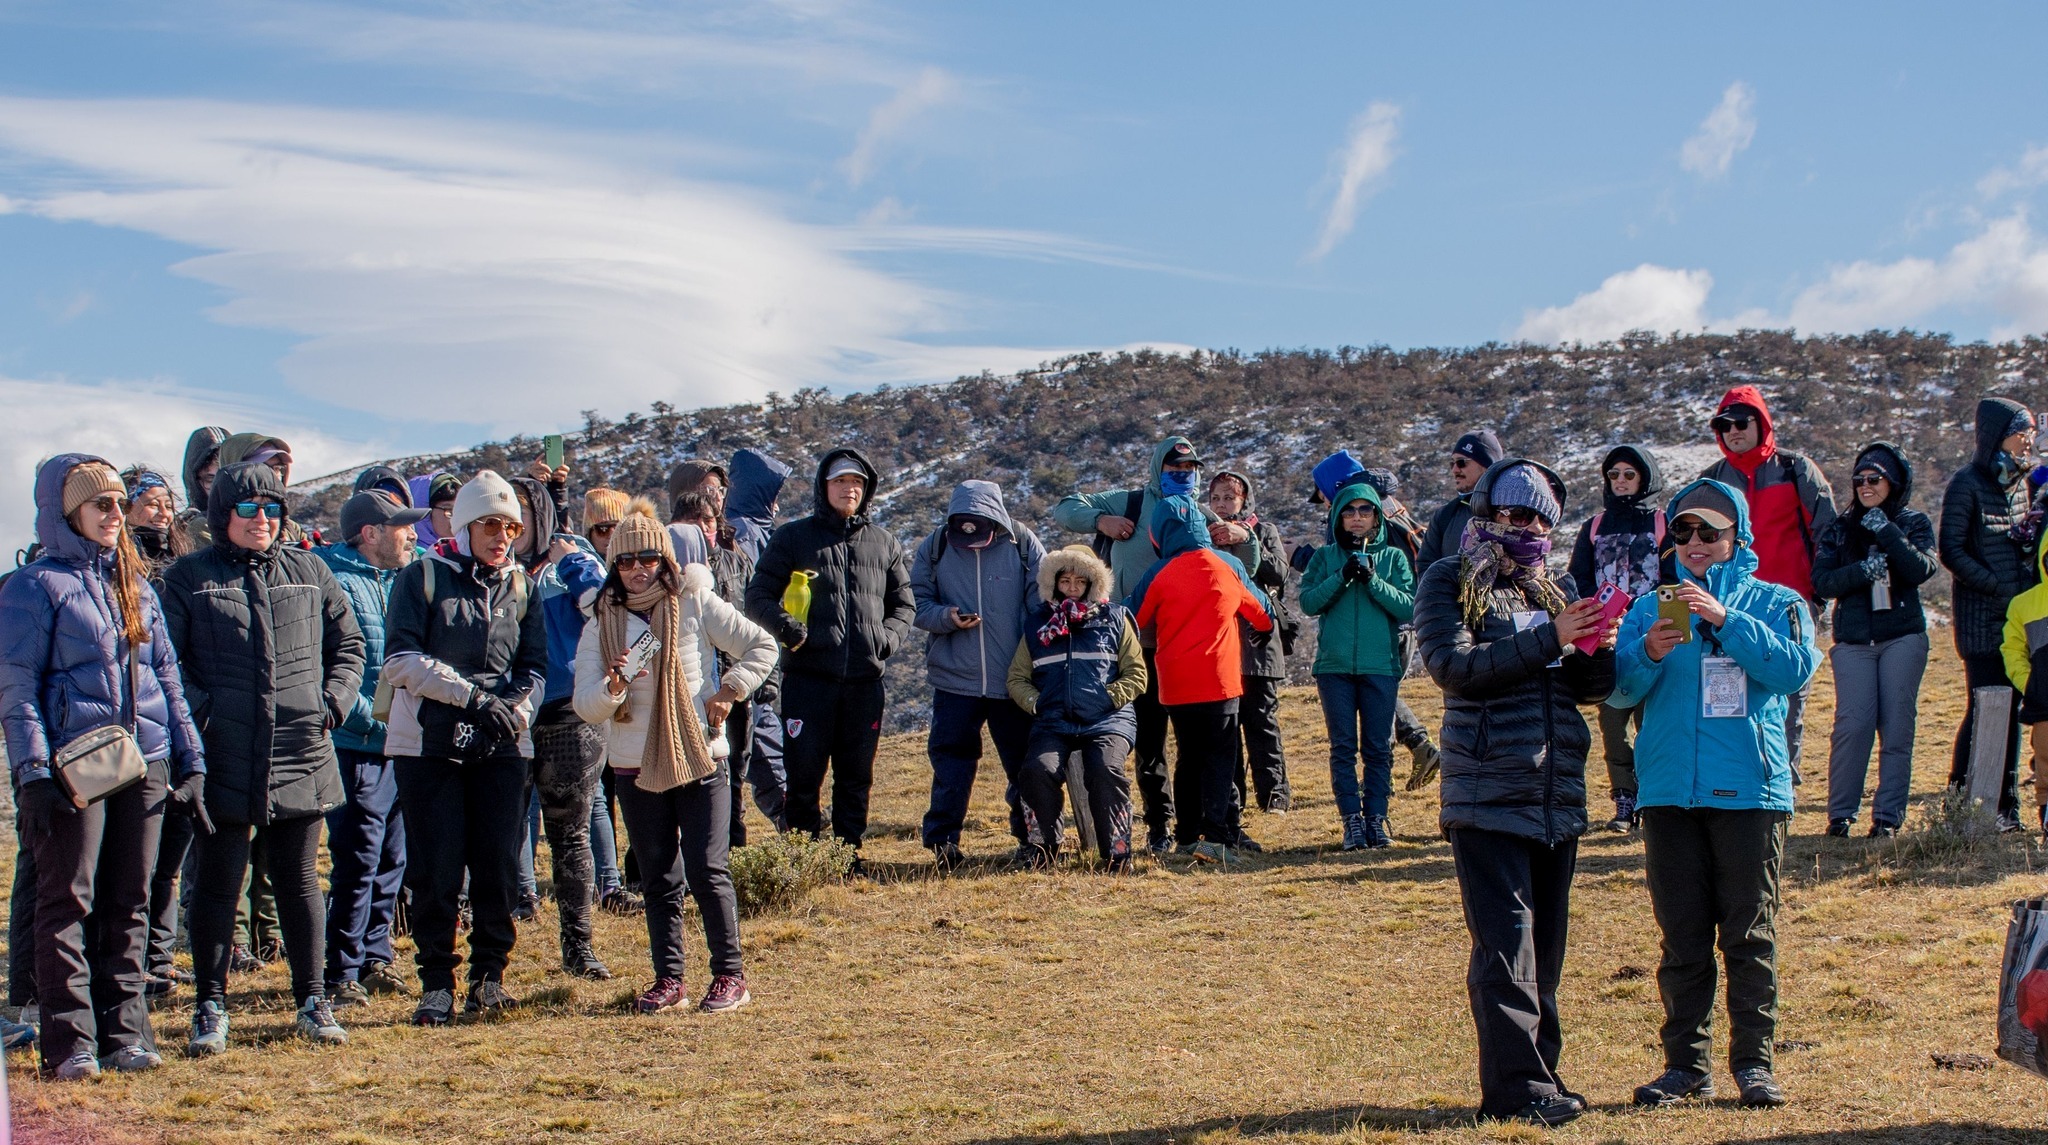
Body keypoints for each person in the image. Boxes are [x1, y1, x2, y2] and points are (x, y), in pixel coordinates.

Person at [1413, 458, 1617, 1127]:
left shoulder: (1553, 591)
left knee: (1545, 952)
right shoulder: (1449, 578)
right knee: (1506, 949)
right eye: (1505, 512)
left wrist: (1595, 647)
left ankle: (1542, 1074)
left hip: (1554, 793)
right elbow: (1453, 667)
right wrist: (1551, 640)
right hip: (1488, 790)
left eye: (1532, 516)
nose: (1516, 525)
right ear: (1484, 513)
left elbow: (1588, 692)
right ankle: (1515, 1093)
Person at [1610, 479, 1820, 1110]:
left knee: (1749, 935)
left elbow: (1794, 670)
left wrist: (1725, 620)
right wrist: (1646, 652)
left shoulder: (1777, 602)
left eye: (1709, 532)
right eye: (1683, 532)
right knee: (1682, 937)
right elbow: (1618, 694)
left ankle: (1754, 1067)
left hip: (1751, 794)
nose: (1695, 543)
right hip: (1670, 794)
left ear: (1738, 538)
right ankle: (1684, 1068)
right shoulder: (1651, 608)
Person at [0, 455, 207, 1078]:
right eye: (103, 505)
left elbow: (168, 679)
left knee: (131, 901)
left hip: (145, 761)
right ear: (69, 513)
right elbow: (16, 690)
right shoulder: (32, 587)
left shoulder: (136, 585)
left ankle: (126, 1037)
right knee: (68, 903)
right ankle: (69, 1046)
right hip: (74, 767)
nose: (117, 515)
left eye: (120, 503)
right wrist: (33, 773)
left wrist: (190, 760)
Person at [160, 460, 365, 1055]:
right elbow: (170, 664)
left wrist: (333, 701)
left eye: (273, 509)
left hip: (300, 748)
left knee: (300, 881)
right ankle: (209, 1006)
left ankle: (312, 999)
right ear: (224, 514)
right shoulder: (189, 578)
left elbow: (347, 644)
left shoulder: (310, 570)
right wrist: (204, 716)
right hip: (223, 755)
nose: (262, 520)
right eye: (248, 509)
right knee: (220, 884)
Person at [573, 506, 775, 1014]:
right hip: (633, 761)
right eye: (625, 561)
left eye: (647, 558)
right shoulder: (601, 620)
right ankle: (670, 980)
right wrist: (613, 687)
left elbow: (761, 646)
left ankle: (730, 976)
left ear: (665, 559)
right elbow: (586, 705)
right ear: (613, 565)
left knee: (708, 869)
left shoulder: (694, 602)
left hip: (701, 754)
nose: (637, 569)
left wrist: (730, 690)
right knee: (658, 876)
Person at [381, 471, 549, 1025]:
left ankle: (489, 976)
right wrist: (474, 699)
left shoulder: (523, 586)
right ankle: (435, 983)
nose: (501, 536)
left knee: (499, 863)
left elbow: (534, 667)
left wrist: (517, 710)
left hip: (501, 744)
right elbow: (400, 660)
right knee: (437, 866)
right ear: (463, 527)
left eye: (510, 526)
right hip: (428, 745)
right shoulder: (422, 577)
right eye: (489, 525)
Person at [1055, 436, 1246, 853]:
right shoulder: (1132, 502)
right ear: (1157, 469)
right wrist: (1101, 522)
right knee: (1151, 742)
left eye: (1190, 471)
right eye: (1174, 470)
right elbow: (1066, 506)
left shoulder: (1201, 514)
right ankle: (1160, 825)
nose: (1183, 477)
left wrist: (1240, 537)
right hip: (1138, 644)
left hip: (1189, 649)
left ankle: (1222, 825)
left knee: (1205, 744)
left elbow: (1242, 572)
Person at [744, 448, 914, 876]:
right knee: (804, 775)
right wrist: (790, 630)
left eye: (856, 482)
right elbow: (757, 597)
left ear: (867, 489)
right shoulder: (793, 538)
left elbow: (904, 605)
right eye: (840, 481)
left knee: (856, 776)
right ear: (824, 486)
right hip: (808, 680)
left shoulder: (884, 542)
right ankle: (804, 859)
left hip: (864, 681)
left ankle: (848, 857)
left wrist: (886, 640)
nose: (849, 488)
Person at [318, 491, 427, 1006]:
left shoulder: (407, 576)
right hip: (355, 742)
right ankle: (340, 970)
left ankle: (376, 958)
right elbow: (333, 667)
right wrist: (372, 719)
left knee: (392, 858)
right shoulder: (332, 581)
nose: (412, 535)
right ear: (370, 534)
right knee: (356, 858)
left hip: (403, 742)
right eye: (402, 527)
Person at [506, 471, 614, 977]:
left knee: (570, 836)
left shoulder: (570, 561)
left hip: (568, 711)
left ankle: (579, 948)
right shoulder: (492, 568)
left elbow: (604, 605)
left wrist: (567, 560)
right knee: (503, 834)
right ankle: (494, 959)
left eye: (527, 512)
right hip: (506, 716)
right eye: (509, 513)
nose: (517, 523)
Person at [1127, 496, 1273, 864]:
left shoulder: (1159, 572)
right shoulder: (1228, 564)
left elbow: (1131, 619)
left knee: (1188, 759)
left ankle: (1187, 835)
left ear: (1159, 533)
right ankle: (1218, 839)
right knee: (1221, 760)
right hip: (1220, 680)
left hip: (1175, 682)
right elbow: (1262, 615)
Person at [1699, 386, 1836, 779]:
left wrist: (1817, 592)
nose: (1733, 431)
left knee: (1790, 701)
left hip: (1790, 606)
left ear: (1762, 424)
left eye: (1742, 422)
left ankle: (1781, 787)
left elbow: (1828, 532)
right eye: (1723, 425)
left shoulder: (1797, 470)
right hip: (1730, 607)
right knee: (1726, 700)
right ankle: (1732, 783)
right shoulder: (1712, 481)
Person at [911, 480, 1046, 868]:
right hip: (955, 678)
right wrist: (946, 618)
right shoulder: (935, 546)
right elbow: (915, 602)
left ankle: (1032, 841)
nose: (971, 537)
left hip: (1014, 681)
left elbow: (1042, 603)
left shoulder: (1021, 542)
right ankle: (943, 845)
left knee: (1024, 765)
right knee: (950, 765)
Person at [1812, 444, 1937, 838]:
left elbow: (1921, 569)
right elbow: (1822, 582)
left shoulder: (1913, 522)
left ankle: (1887, 818)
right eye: (1859, 480)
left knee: (1898, 726)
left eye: (1875, 479)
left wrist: (1887, 529)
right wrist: (1862, 570)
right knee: (1853, 725)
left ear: (1893, 483)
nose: (1865, 486)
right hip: (1852, 642)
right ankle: (1840, 814)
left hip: (1902, 637)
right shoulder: (1839, 528)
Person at [1007, 545, 1146, 870]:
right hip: (1054, 720)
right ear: (1053, 582)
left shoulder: (1116, 619)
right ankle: (1045, 850)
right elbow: (1017, 678)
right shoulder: (1038, 625)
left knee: (1105, 771)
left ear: (1092, 583)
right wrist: (1037, 703)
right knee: (1035, 771)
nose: (1071, 587)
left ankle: (1116, 853)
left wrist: (1108, 698)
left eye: (1079, 581)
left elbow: (1137, 673)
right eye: (1065, 580)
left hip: (1108, 719)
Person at [1942, 397, 2041, 833]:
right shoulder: (1967, 483)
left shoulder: (2023, 483)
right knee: (1985, 708)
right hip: (1982, 619)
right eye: (2025, 432)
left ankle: (2007, 807)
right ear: (2001, 435)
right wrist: (1996, 584)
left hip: (2019, 620)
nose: (2030, 441)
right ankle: (1962, 804)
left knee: (2018, 708)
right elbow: (1952, 550)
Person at [1299, 481, 1414, 851]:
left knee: (1379, 748)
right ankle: (1351, 821)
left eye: (1365, 511)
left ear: (1377, 516)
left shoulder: (1394, 558)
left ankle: (1377, 819)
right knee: (1343, 747)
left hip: (1380, 665)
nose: (1357, 518)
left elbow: (1408, 607)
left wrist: (1373, 581)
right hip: (1334, 668)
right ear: (1337, 517)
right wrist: (1342, 576)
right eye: (1349, 511)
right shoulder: (1324, 557)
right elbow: (1308, 603)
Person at [1565, 445, 1667, 832]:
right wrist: (1599, 610)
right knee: (1612, 722)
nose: (1621, 481)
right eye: (1614, 475)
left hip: (1653, 636)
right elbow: (1578, 577)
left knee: (1651, 721)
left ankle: (1653, 796)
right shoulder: (1593, 526)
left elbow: (1673, 576)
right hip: (1607, 637)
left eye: (1629, 474)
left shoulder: (1663, 522)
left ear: (1646, 477)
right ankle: (1624, 797)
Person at [674, 489, 760, 848]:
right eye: (693, 522)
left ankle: (732, 850)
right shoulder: (667, 577)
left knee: (734, 771)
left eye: (708, 520)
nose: (703, 528)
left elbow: (754, 622)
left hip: (733, 686)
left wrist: (753, 683)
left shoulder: (736, 561)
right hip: (688, 690)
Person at [1208, 469, 1293, 819]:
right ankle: (1234, 797)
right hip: (1220, 640)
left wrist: (1245, 540)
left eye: (1230, 497)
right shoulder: (1203, 534)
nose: (1223, 504)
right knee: (1226, 724)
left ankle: (1275, 795)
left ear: (1244, 500)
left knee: (1261, 719)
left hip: (1259, 639)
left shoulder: (1263, 531)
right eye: (1216, 498)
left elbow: (1279, 573)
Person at [1358, 467, 1444, 792]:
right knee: (1381, 689)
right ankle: (1418, 748)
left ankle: (1383, 775)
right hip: (1410, 620)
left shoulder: (1379, 527)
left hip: (1387, 621)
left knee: (1376, 690)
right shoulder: (1403, 519)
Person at [580, 488, 641, 915]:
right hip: (593, 697)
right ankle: (606, 882)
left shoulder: (644, 574)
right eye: (600, 529)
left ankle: (622, 878)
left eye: (615, 529)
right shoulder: (584, 573)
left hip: (638, 712)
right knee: (596, 794)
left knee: (626, 792)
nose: (608, 537)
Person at [724, 448, 792, 829]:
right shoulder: (745, 533)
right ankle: (787, 812)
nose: (778, 503)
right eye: (773, 494)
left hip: (761, 650)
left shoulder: (754, 528)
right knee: (760, 730)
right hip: (753, 650)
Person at [1416, 429, 1503, 572]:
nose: (1455, 470)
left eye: (1462, 463)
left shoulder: (1514, 513)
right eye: (1452, 463)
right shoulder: (1444, 516)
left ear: (1487, 466)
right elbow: (1426, 567)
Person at [122, 467, 187, 578]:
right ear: (126, 508)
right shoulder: (116, 562)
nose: (164, 513)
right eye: (153, 505)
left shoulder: (181, 562)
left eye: (168, 506)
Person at [174, 426, 228, 550]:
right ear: (194, 481)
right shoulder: (181, 529)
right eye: (210, 480)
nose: (219, 488)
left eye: (226, 478)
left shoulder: (260, 517)